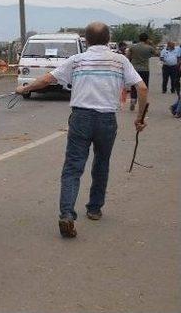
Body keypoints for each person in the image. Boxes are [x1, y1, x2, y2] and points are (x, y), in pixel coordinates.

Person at [15, 22, 149, 238]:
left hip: (81, 118)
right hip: (107, 119)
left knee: (73, 167)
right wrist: (140, 118)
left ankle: (67, 214)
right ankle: (94, 209)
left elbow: (47, 79)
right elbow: (142, 88)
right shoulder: (120, 60)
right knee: (101, 163)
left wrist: (24, 88)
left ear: (86, 41)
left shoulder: (76, 60)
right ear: (108, 40)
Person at [126, 33, 158, 110]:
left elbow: (128, 56)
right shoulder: (149, 48)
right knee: (144, 88)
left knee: (134, 86)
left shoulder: (132, 47)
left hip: (134, 69)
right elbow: (157, 53)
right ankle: (143, 105)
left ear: (139, 38)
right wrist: (152, 44)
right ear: (147, 39)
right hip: (145, 70)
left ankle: (133, 101)